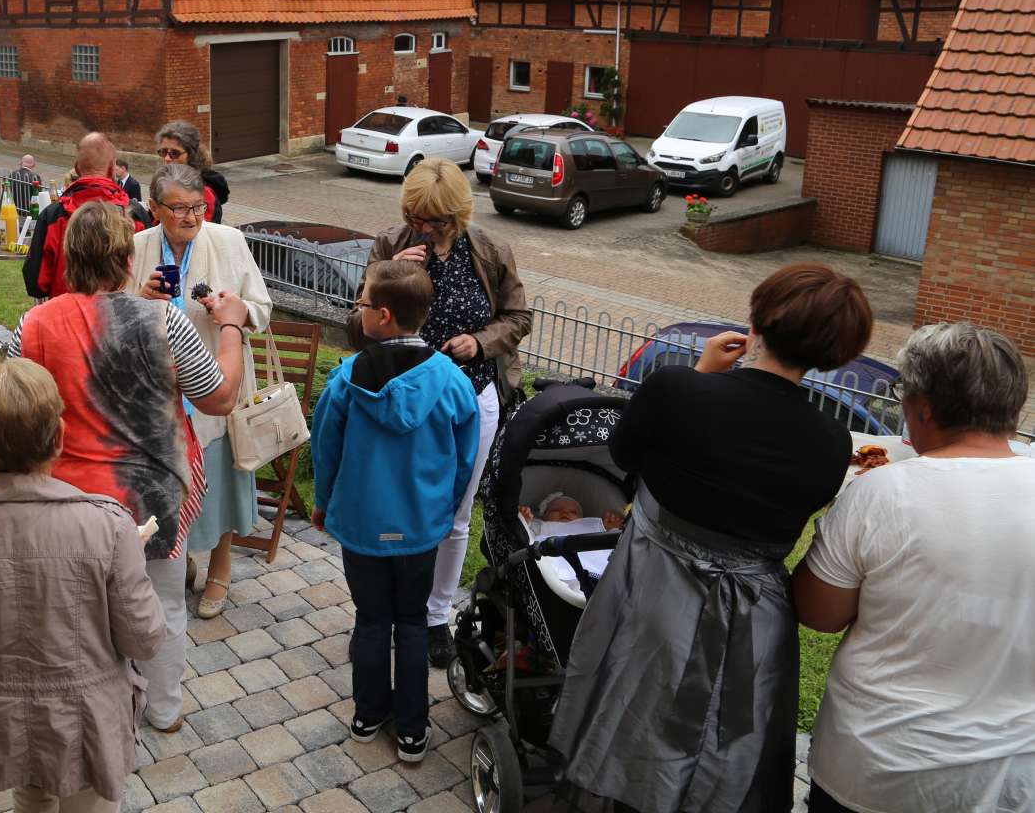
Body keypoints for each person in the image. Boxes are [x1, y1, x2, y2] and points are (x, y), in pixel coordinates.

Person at [549, 262, 875, 813]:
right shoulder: (831, 443)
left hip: (656, 593)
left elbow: (626, 458)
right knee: (725, 739)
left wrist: (700, 378)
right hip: (757, 619)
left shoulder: (677, 391)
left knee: (634, 714)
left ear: (759, 319)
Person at [6, 200, 248, 733]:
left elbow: (7, 395)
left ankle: (95, 710)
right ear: (125, 259)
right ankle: (163, 709)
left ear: (70, 257)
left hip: (68, 498)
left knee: (79, 610)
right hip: (152, 495)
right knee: (161, 602)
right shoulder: (165, 323)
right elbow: (221, 398)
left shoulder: (35, 323)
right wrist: (231, 326)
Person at [794, 323, 1035, 813]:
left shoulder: (879, 493)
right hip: (1009, 777)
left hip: (876, 769)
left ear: (922, 407)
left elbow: (819, 613)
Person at [0, 358, 166, 813]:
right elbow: (143, 637)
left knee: (29, 795)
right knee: (88, 802)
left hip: (2, 708)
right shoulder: (104, 524)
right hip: (85, 712)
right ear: (59, 436)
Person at [310, 260, 479, 763]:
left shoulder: (346, 380)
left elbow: (326, 451)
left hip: (362, 525)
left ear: (381, 315)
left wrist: (324, 504)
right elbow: (466, 459)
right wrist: (442, 511)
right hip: (421, 528)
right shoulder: (452, 381)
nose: (357, 310)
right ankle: (412, 728)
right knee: (410, 622)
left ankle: (367, 714)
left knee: (370, 619)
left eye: (361, 303)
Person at [366, 157, 530, 668]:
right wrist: (393, 278)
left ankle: (436, 615)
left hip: (471, 395)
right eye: (416, 216)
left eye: (435, 220)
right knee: (400, 506)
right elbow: (360, 324)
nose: (424, 228)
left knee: (456, 515)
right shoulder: (391, 246)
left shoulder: (489, 250)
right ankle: (395, 608)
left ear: (457, 214)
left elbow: (518, 315)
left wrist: (480, 342)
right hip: (404, 398)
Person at [130, 163, 271, 619]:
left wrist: (236, 312)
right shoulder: (138, 247)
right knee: (172, 484)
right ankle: (183, 558)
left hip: (215, 382)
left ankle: (221, 567)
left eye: (198, 207)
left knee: (220, 482)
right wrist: (141, 298)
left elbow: (262, 308)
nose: (191, 217)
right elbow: (116, 309)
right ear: (155, 209)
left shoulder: (228, 242)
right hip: (159, 392)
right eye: (180, 209)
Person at [22, 133, 152, 300]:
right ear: (112, 168)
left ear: (76, 168)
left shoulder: (53, 216)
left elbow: (36, 284)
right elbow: (149, 272)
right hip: (126, 318)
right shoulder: (135, 215)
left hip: (66, 318)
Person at [155, 120, 228, 223]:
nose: (167, 158)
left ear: (191, 155)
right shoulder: (163, 181)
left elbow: (198, 230)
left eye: (175, 153)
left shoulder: (204, 192)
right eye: (163, 152)